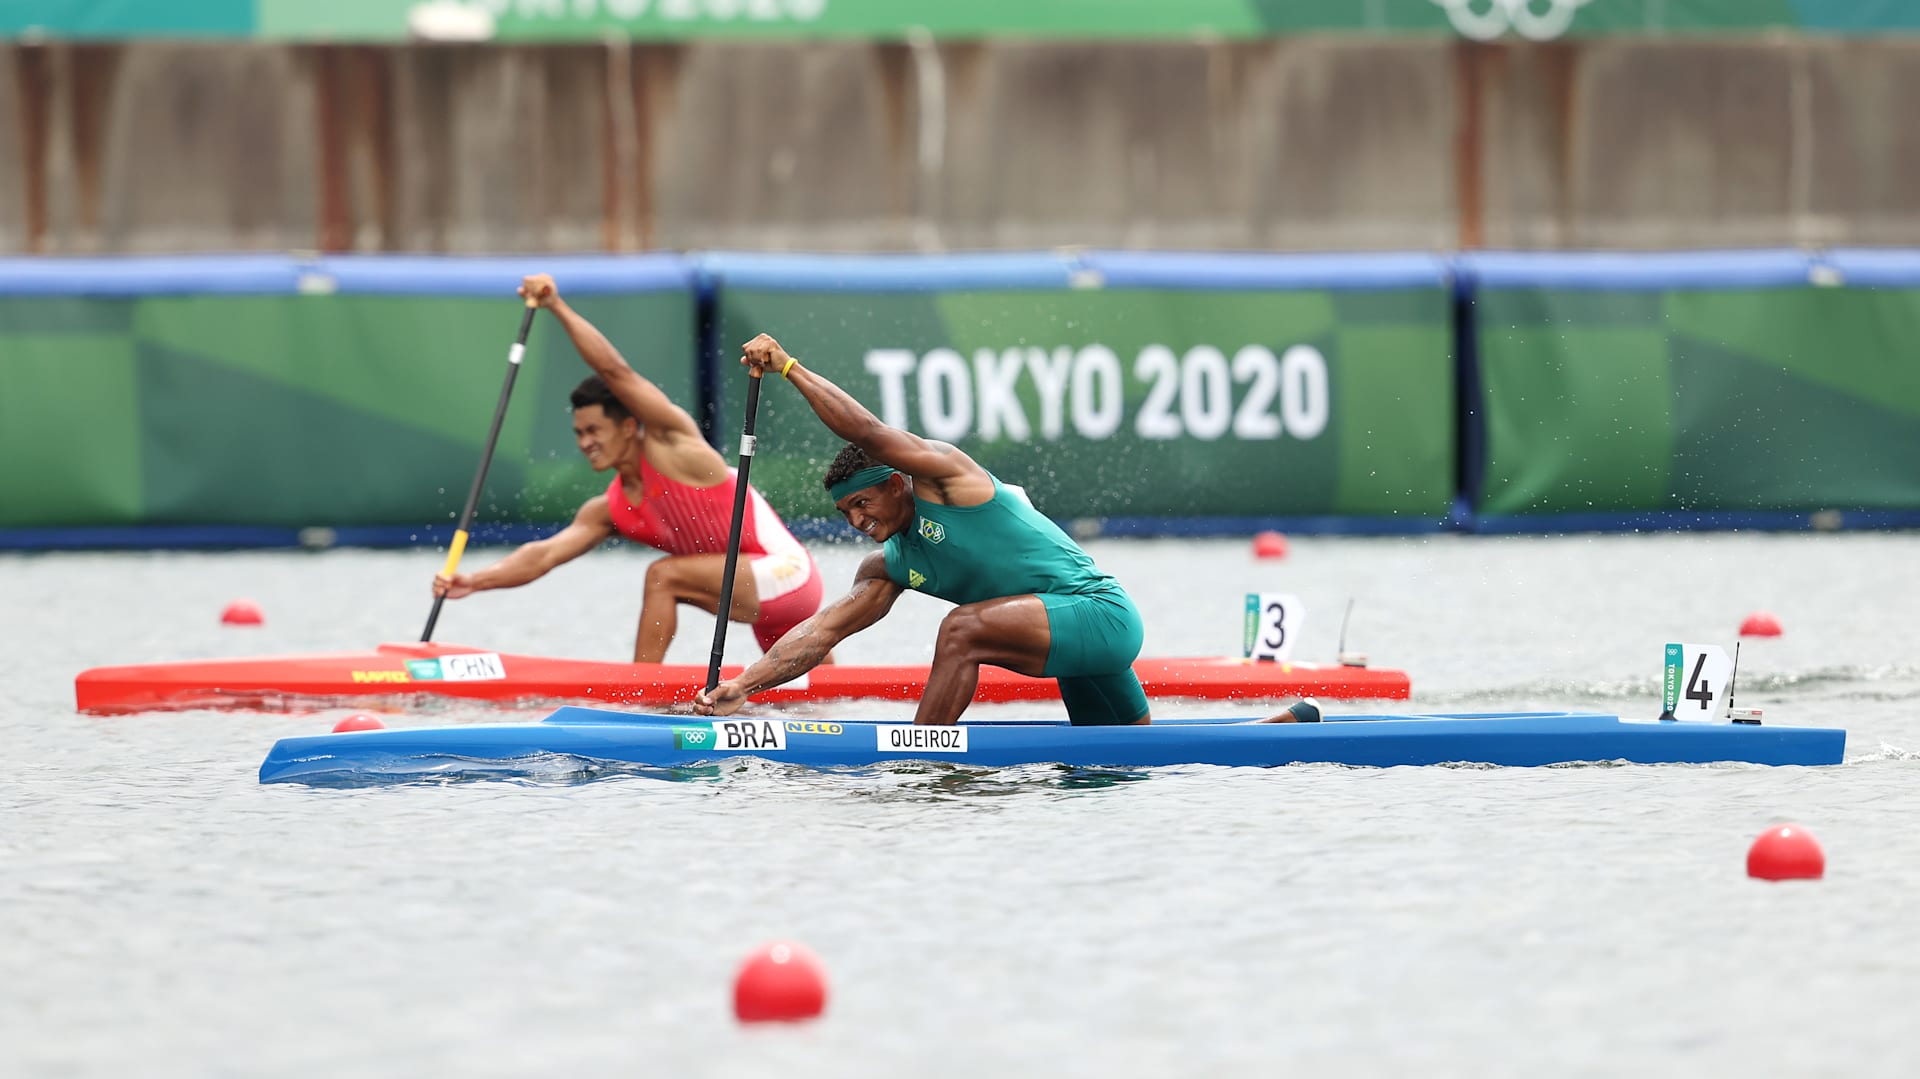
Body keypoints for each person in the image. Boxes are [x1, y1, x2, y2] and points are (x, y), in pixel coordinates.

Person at [693, 333, 1320, 726]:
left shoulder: (946, 477)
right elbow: (822, 631)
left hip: (1099, 614)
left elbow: (866, 433)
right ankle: (1277, 730)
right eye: (845, 515)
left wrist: (789, 367)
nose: (858, 522)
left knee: (959, 629)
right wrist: (743, 686)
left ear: (896, 480)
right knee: (1119, 765)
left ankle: (927, 753)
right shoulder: (889, 562)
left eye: (862, 503)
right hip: (1067, 637)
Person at [432, 276, 829, 665]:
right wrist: (474, 580)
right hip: (751, 590)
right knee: (823, 696)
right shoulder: (608, 509)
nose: (585, 441)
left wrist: (555, 306)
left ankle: (641, 694)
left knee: (663, 576)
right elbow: (544, 555)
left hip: (787, 575)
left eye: (593, 430)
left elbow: (614, 371)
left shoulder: (672, 442)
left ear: (626, 427)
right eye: (578, 433)